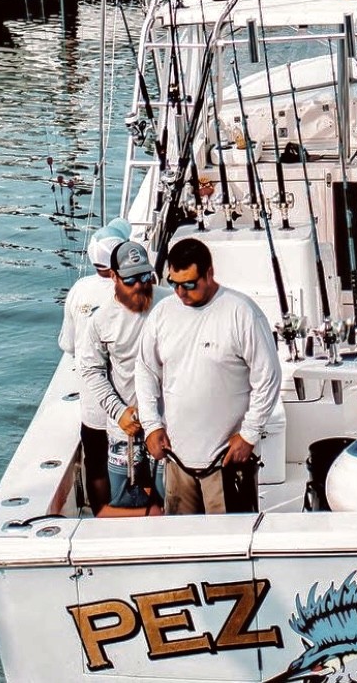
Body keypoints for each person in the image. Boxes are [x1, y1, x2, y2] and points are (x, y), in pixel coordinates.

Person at [136, 236, 282, 515]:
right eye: (174, 283)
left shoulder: (242, 313)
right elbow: (145, 370)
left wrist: (249, 434)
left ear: (209, 274)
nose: (181, 292)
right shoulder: (162, 314)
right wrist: (152, 425)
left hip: (225, 462)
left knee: (232, 544)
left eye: (190, 284)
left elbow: (268, 377)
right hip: (177, 460)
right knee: (181, 543)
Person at [77, 239, 168, 512]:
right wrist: (118, 412)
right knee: (126, 507)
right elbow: (90, 369)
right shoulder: (101, 320)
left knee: (168, 503)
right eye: (130, 280)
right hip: (125, 431)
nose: (140, 285)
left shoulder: (171, 303)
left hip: (167, 425)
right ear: (113, 276)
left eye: (145, 276)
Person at [59, 217, 131, 514]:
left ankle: (104, 515)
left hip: (93, 405)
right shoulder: (134, 289)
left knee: (97, 464)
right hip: (129, 403)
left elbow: (68, 344)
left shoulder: (79, 289)